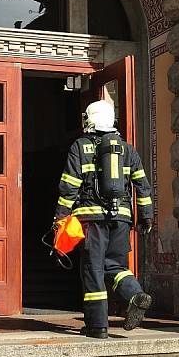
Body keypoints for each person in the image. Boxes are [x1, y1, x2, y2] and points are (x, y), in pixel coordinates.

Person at [53, 100, 154, 339]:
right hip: (121, 218)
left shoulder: (80, 146)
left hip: (92, 219)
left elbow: (70, 185)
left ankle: (97, 325)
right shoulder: (127, 149)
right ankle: (135, 294)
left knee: (93, 269)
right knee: (117, 266)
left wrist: (60, 217)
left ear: (89, 119)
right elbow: (143, 187)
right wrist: (146, 218)